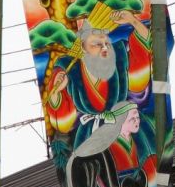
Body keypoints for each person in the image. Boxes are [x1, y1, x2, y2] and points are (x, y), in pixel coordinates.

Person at [46, 9, 152, 152]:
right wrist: (57, 91)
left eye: (106, 43)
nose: (104, 48)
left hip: (122, 125)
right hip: (89, 134)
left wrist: (133, 21)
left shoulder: (119, 56)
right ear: (82, 48)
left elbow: (142, 56)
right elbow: (62, 118)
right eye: (97, 44)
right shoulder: (69, 68)